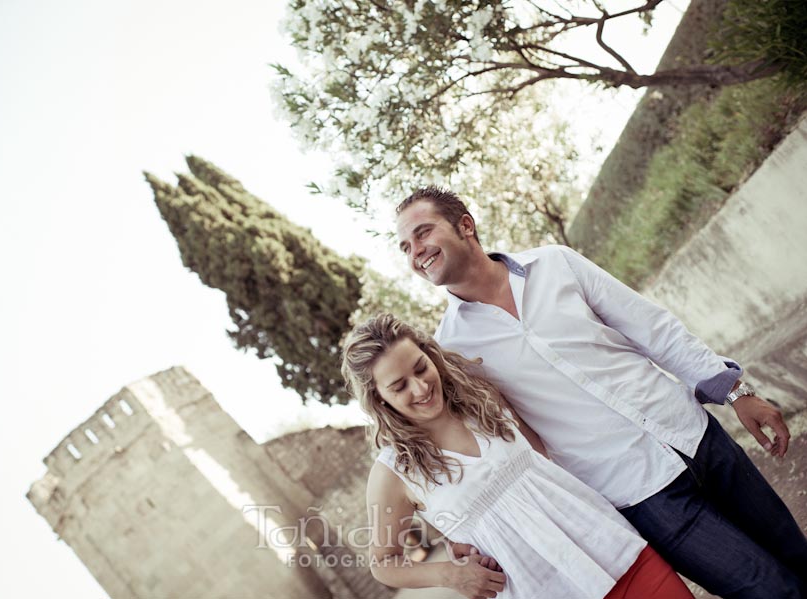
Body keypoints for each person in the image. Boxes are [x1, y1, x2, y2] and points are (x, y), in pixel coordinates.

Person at [393, 185, 807, 599]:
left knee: (795, 553)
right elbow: (474, 441)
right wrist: (460, 535)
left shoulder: (555, 263)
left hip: (695, 435)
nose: (416, 251)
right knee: (768, 590)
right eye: (405, 247)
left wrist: (734, 390)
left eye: (423, 233)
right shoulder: (452, 350)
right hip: (640, 494)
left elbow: (650, 327)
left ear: (465, 225)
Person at [341, 314, 695, 599]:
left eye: (420, 368)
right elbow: (383, 563)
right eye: (399, 386)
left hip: (612, 549)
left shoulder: (480, 398)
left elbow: (544, 459)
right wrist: (452, 575)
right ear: (379, 399)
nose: (420, 388)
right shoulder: (393, 472)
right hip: (538, 590)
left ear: (430, 356)